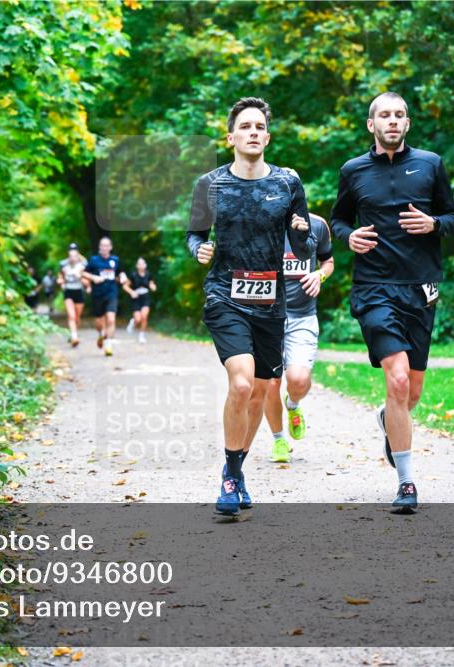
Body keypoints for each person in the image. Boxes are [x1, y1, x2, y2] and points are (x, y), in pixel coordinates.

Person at [330, 91, 454, 513]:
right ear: (371, 124)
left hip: (420, 288)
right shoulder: (353, 171)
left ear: (407, 123)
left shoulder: (431, 164)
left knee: (412, 391)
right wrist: (348, 237)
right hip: (373, 287)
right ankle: (406, 483)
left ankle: (390, 421)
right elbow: (337, 220)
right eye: (384, 115)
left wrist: (433, 223)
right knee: (398, 380)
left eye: (399, 115)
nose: (392, 121)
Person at [186, 96, 314, 516]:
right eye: (245, 126)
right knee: (241, 384)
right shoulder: (211, 184)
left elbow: (303, 244)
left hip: (271, 301)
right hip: (224, 295)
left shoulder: (288, 182)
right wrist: (198, 250)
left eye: (259, 126)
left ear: (268, 136)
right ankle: (228, 476)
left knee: (260, 393)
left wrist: (300, 233)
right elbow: (193, 234)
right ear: (231, 137)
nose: (253, 132)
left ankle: (235, 470)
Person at [264, 212, 334, 463]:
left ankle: (292, 404)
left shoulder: (317, 225)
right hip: (267, 317)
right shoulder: (261, 223)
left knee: (299, 379)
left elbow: (328, 261)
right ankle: (279, 440)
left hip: (302, 316)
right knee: (270, 382)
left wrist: (319, 275)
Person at [83, 237, 128, 357]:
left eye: (107, 245)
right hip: (98, 294)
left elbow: (120, 272)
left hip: (111, 292)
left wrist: (123, 277)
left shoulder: (115, 260)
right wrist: (94, 278)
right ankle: (101, 334)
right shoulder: (93, 260)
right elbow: (83, 272)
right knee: (99, 322)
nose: (105, 248)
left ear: (110, 247)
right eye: (102, 245)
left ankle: (108, 344)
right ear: (99, 247)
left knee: (111, 318)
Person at [58, 243, 87, 347]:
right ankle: (74, 337)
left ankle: (75, 333)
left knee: (77, 317)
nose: (73, 258)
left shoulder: (83, 264)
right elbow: (60, 277)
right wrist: (61, 282)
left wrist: (81, 278)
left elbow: (86, 279)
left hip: (79, 291)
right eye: (71, 254)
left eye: (75, 254)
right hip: (68, 291)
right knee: (71, 315)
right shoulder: (63, 264)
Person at [124, 257, 157, 344]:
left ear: (145, 265)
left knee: (144, 316)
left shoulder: (148, 275)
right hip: (136, 297)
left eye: (143, 263)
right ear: (137, 266)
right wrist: (131, 292)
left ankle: (142, 335)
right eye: (139, 263)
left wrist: (153, 287)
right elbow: (125, 286)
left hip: (145, 297)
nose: (141, 265)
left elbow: (151, 284)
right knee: (138, 319)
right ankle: (133, 322)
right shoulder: (133, 275)